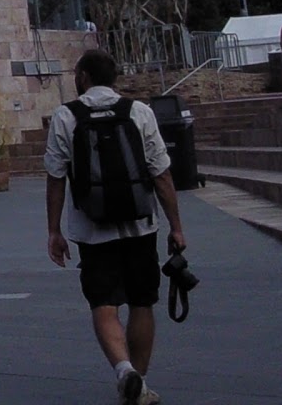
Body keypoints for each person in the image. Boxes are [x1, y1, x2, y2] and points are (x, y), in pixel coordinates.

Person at [45, 49, 185, 405]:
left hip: (92, 231)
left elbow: (56, 178)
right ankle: (140, 382)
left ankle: (125, 372)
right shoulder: (139, 112)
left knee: (103, 303)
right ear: (114, 78)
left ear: (84, 77)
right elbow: (162, 174)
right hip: (141, 226)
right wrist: (176, 227)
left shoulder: (66, 116)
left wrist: (54, 231)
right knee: (142, 301)